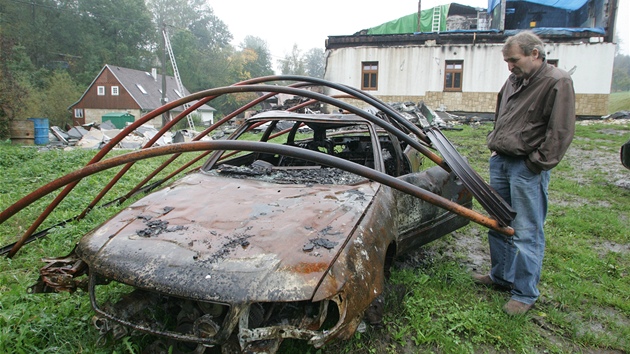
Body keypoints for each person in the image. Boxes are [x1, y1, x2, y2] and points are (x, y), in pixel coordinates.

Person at [473, 31, 576, 315]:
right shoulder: (513, 80)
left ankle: (524, 293)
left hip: (525, 167)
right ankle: (501, 277)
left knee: (527, 231)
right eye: (507, 61)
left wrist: (536, 164)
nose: (509, 66)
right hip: (502, 162)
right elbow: (501, 113)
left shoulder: (557, 81)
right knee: (498, 223)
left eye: (514, 60)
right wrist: (496, 146)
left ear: (535, 53)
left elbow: (561, 131)